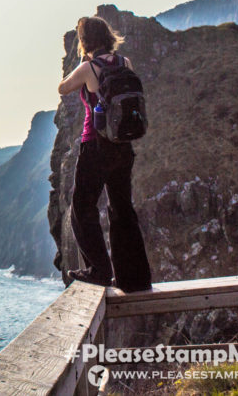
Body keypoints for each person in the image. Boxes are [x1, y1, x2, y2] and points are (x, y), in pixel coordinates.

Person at [57, 16, 152, 293]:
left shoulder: (88, 68)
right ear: (109, 37)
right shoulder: (125, 63)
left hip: (96, 145)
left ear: (86, 41)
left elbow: (62, 88)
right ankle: (135, 279)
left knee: (82, 208)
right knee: (122, 209)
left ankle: (98, 270)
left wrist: (83, 62)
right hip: (123, 146)